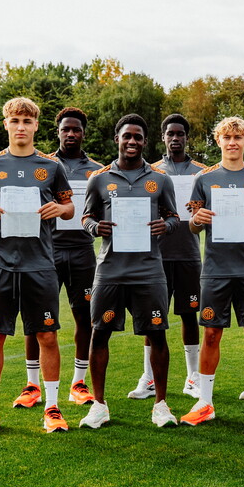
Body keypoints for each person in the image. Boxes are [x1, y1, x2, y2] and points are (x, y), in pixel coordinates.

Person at [0, 97, 74, 436]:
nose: (21, 127)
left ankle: (53, 408)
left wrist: (59, 209)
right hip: (0, 264)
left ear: (37, 126)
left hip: (40, 264)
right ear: (6, 124)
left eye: (27, 121)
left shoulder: (52, 167)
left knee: (46, 335)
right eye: (15, 121)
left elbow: (70, 208)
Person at [178, 116, 244, 427]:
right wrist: (199, 218)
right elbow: (193, 226)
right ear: (219, 141)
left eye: (238, 137)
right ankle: (205, 402)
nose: (233, 142)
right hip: (215, 270)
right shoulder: (204, 179)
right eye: (227, 137)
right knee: (211, 334)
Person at [79, 114, 180, 428]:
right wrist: (96, 226)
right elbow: (85, 218)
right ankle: (98, 405)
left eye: (138, 137)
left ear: (145, 142)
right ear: (117, 139)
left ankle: (161, 405)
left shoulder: (161, 180)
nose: (132, 142)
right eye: (127, 136)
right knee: (100, 332)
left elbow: (174, 216)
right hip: (110, 270)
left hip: (149, 270)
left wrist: (167, 224)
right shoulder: (99, 179)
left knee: (157, 334)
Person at [14, 107, 102, 410]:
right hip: (45, 252)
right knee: (35, 319)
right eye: (66, 129)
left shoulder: (97, 170)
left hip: (82, 253)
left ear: (83, 132)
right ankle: (32, 385)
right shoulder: (43, 165)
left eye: (76, 129)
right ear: (58, 132)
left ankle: (78, 382)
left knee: (84, 317)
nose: (71, 134)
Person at [127, 114, 205, 401]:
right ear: (162, 137)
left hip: (187, 254)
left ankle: (192, 377)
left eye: (180, 134)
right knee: (152, 319)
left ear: (186, 137)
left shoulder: (201, 172)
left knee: (189, 314)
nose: (175, 138)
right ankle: (148, 378)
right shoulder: (151, 171)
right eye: (170, 133)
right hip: (155, 256)